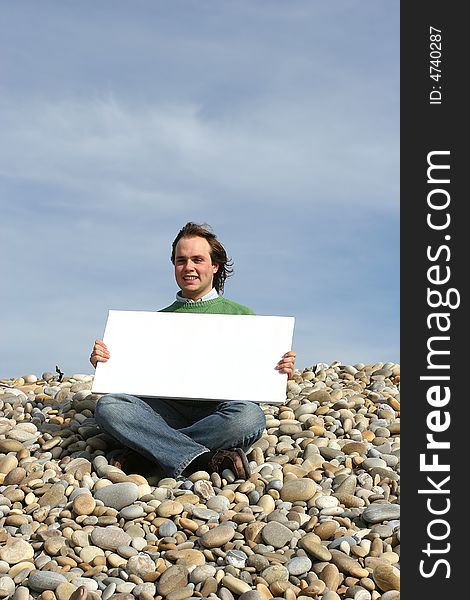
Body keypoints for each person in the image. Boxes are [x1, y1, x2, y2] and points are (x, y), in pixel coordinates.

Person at [90, 222, 296, 480]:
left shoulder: (243, 316)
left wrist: (280, 370)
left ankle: (149, 453)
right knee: (110, 407)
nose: (188, 267)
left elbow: (257, 382)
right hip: (164, 414)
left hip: (218, 413)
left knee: (248, 418)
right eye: (181, 260)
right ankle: (203, 459)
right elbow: (132, 380)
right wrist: (108, 363)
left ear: (214, 266)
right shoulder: (155, 322)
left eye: (197, 259)